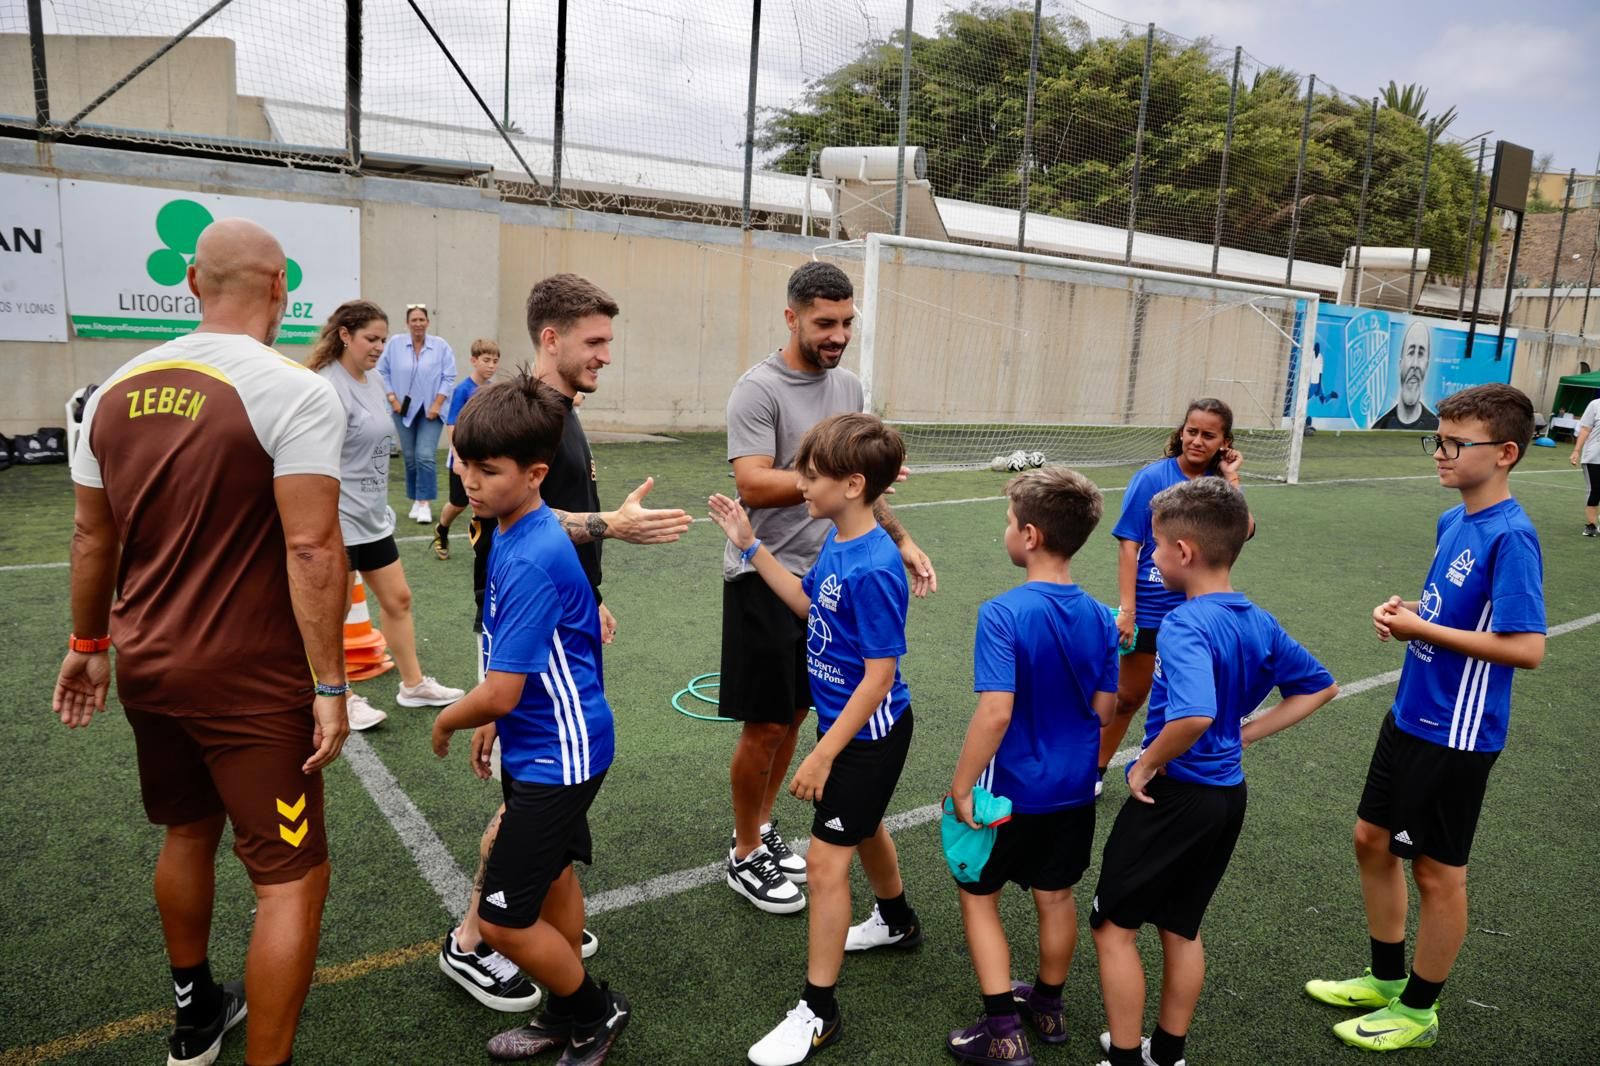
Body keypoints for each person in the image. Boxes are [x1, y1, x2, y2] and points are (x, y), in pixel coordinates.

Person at [53, 218, 350, 1066]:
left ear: (190, 281)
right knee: (291, 880)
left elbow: (91, 537)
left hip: (147, 665)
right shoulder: (293, 389)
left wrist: (88, 642)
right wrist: (331, 686)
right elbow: (311, 548)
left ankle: (195, 1016)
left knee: (187, 833)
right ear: (282, 288)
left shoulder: (108, 392)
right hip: (249, 682)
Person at [439, 275, 692, 1011]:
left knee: (540, 826)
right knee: (527, 818)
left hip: (548, 663)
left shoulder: (552, 419)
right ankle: (476, 939)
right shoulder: (519, 425)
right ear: (550, 339)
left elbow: (542, 522)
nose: (606, 355)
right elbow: (532, 523)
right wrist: (611, 526)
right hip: (523, 645)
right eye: (595, 341)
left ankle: (529, 953)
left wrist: (593, 594)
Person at [1306, 384, 1545, 1053]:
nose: (1439, 452)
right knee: (1370, 840)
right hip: (1411, 712)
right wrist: (1408, 613)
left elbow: (1527, 647)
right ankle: (1385, 978)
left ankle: (1418, 1010)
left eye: (1454, 443)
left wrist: (1424, 629)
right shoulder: (1454, 521)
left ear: (1504, 453)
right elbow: (1456, 609)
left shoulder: (1513, 537)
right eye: (1436, 439)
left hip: (1457, 733)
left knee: (1437, 872)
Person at [1092, 477, 1337, 1066]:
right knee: (1180, 926)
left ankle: (1125, 1059)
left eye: (1156, 545)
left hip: (1175, 796)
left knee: (1112, 927)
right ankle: (1167, 1054)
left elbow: (1195, 714)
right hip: (1226, 798)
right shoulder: (1257, 619)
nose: (1151, 555)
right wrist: (1243, 734)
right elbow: (1320, 686)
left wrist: (1147, 762)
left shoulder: (1184, 623)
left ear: (1184, 552)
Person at [721, 261, 936, 916]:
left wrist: (900, 537)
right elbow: (754, 483)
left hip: (829, 578)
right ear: (792, 318)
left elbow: (862, 484)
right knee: (765, 725)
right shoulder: (758, 389)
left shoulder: (849, 384)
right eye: (824, 323)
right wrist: (832, 475)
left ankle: (763, 826)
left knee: (796, 715)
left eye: (846, 322)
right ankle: (744, 850)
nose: (838, 335)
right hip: (764, 573)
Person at [710, 412, 924, 1066]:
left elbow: (880, 676)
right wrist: (751, 547)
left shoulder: (875, 565)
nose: (800, 484)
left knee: (829, 864)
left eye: (811, 475)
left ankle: (818, 1011)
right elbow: (808, 604)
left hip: (867, 736)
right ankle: (897, 921)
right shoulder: (838, 538)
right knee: (865, 826)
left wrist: (824, 754)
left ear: (853, 485)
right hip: (847, 728)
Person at [432, 371, 630, 1064]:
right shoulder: (513, 531)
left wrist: (452, 718)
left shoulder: (531, 555)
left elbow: (502, 691)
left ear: (535, 474)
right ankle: (565, 1009)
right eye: (464, 463)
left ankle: (593, 1012)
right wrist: (494, 711)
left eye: (488, 470)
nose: (470, 481)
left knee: (502, 920)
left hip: (560, 756)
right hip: (548, 741)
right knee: (553, 877)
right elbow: (515, 664)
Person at [944, 467, 1119, 1064]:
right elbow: (1105, 709)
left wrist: (961, 786)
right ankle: (1047, 1007)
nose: (1006, 530)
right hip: (1074, 790)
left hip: (1009, 792)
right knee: (1056, 896)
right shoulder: (1100, 617)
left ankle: (1002, 1031)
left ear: (1031, 535)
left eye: (1008, 521)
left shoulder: (1003, 612)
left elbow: (995, 713)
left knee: (979, 896)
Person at [307, 301, 466, 720]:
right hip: (337, 521)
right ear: (345, 335)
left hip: (372, 518)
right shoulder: (325, 386)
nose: (379, 347)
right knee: (336, 614)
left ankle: (413, 686)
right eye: (370, 339)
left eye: (382, 339)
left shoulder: (375, 380)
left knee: (399, 599)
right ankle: (339, 696)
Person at [1098, 398, 1253, 797]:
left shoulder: (1220, 485)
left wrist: (1232, 477)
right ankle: (1093, 770)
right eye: (1191, 431)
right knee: (1128, 697)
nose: (1197, 441)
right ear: (1181, 432)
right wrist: (1128, 609)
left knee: (1183, 700)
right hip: (1151, 610)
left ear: (1225, 442)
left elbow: (1244, 529)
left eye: (1209, 435)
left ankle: (1166, 769)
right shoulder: (1152, 478)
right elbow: (1129, 545)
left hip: (1200, 613)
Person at [378, 303, 455, 525]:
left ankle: (424, 503)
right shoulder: (394, 344)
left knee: (425, 455)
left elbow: (449, 376)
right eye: (414, 320)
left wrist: (437, 404)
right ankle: (415, 498)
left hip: (431, 411)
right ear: (407, 323)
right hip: (401, 410)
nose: (418, 324)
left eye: (422, 320)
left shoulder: (440, 346)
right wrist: (392, 399)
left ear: (428, 322)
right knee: (411, 458)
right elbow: (382, 371)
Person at [432, 338, 501, 560]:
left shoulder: (493, 390)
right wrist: (458, 458)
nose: (491, 365)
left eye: (495, 361)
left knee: (488, 501)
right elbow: (452, 423)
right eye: (486, 360)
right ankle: (442, 528)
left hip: (485, 457)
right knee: (459, 503)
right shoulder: (462, 390)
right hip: (463, 457)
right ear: (474, 360)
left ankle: (487, 546)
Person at [1373, 322, 1438, 431]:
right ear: (1400, 363)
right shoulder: (1380, 427)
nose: (1415, 364)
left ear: (1427, 366)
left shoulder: (1436, 428)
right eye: (1411, 352)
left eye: (1421, 354)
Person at [1569, 394, 1600, 536]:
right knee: (1595, 490)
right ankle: (1591, 526)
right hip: (1594, 457)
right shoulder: (1595, 405)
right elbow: (1585, 429)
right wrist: (1576, 451)